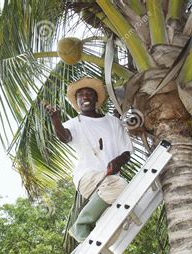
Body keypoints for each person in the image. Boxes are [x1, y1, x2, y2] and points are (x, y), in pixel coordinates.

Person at [45, 77, 133, 242]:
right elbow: (65, 136)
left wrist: (117, 162)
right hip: (87, 177)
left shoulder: (113, 122)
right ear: (77, 102)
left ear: (96, 99)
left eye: (89, 94)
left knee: (117, 217)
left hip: (108, 180)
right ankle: (81, 224)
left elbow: (126, 152)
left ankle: (98, 237)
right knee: (121, 186)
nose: (85, 97)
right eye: (81, 95)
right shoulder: (75, 123)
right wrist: (55, 119)